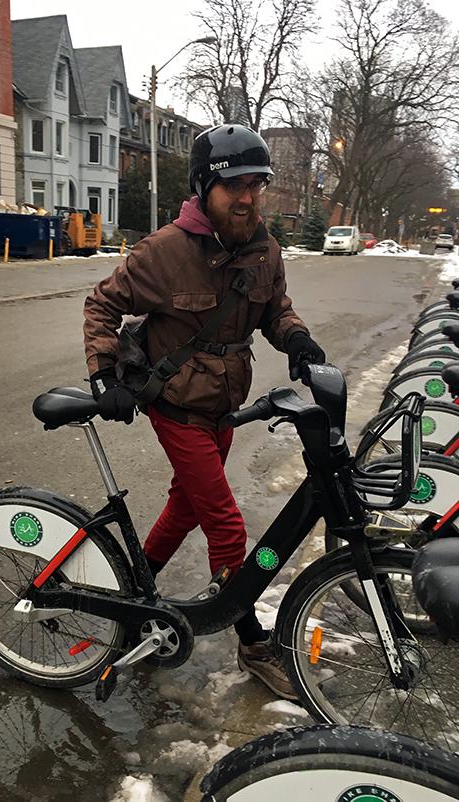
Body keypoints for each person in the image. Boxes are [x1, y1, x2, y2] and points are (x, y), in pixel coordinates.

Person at [82, 124, 325, 700]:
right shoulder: (163, 252)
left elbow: (276, 311)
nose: (246, 197)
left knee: (186, 508)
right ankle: (253, 643)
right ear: (204, 187)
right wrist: (103, 373)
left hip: (223, 408)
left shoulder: (264, 248)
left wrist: (298, 341)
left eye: (256, 185)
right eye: (233, 185)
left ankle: (133, 592)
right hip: (175, 406)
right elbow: (102, 305)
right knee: (225, 523)